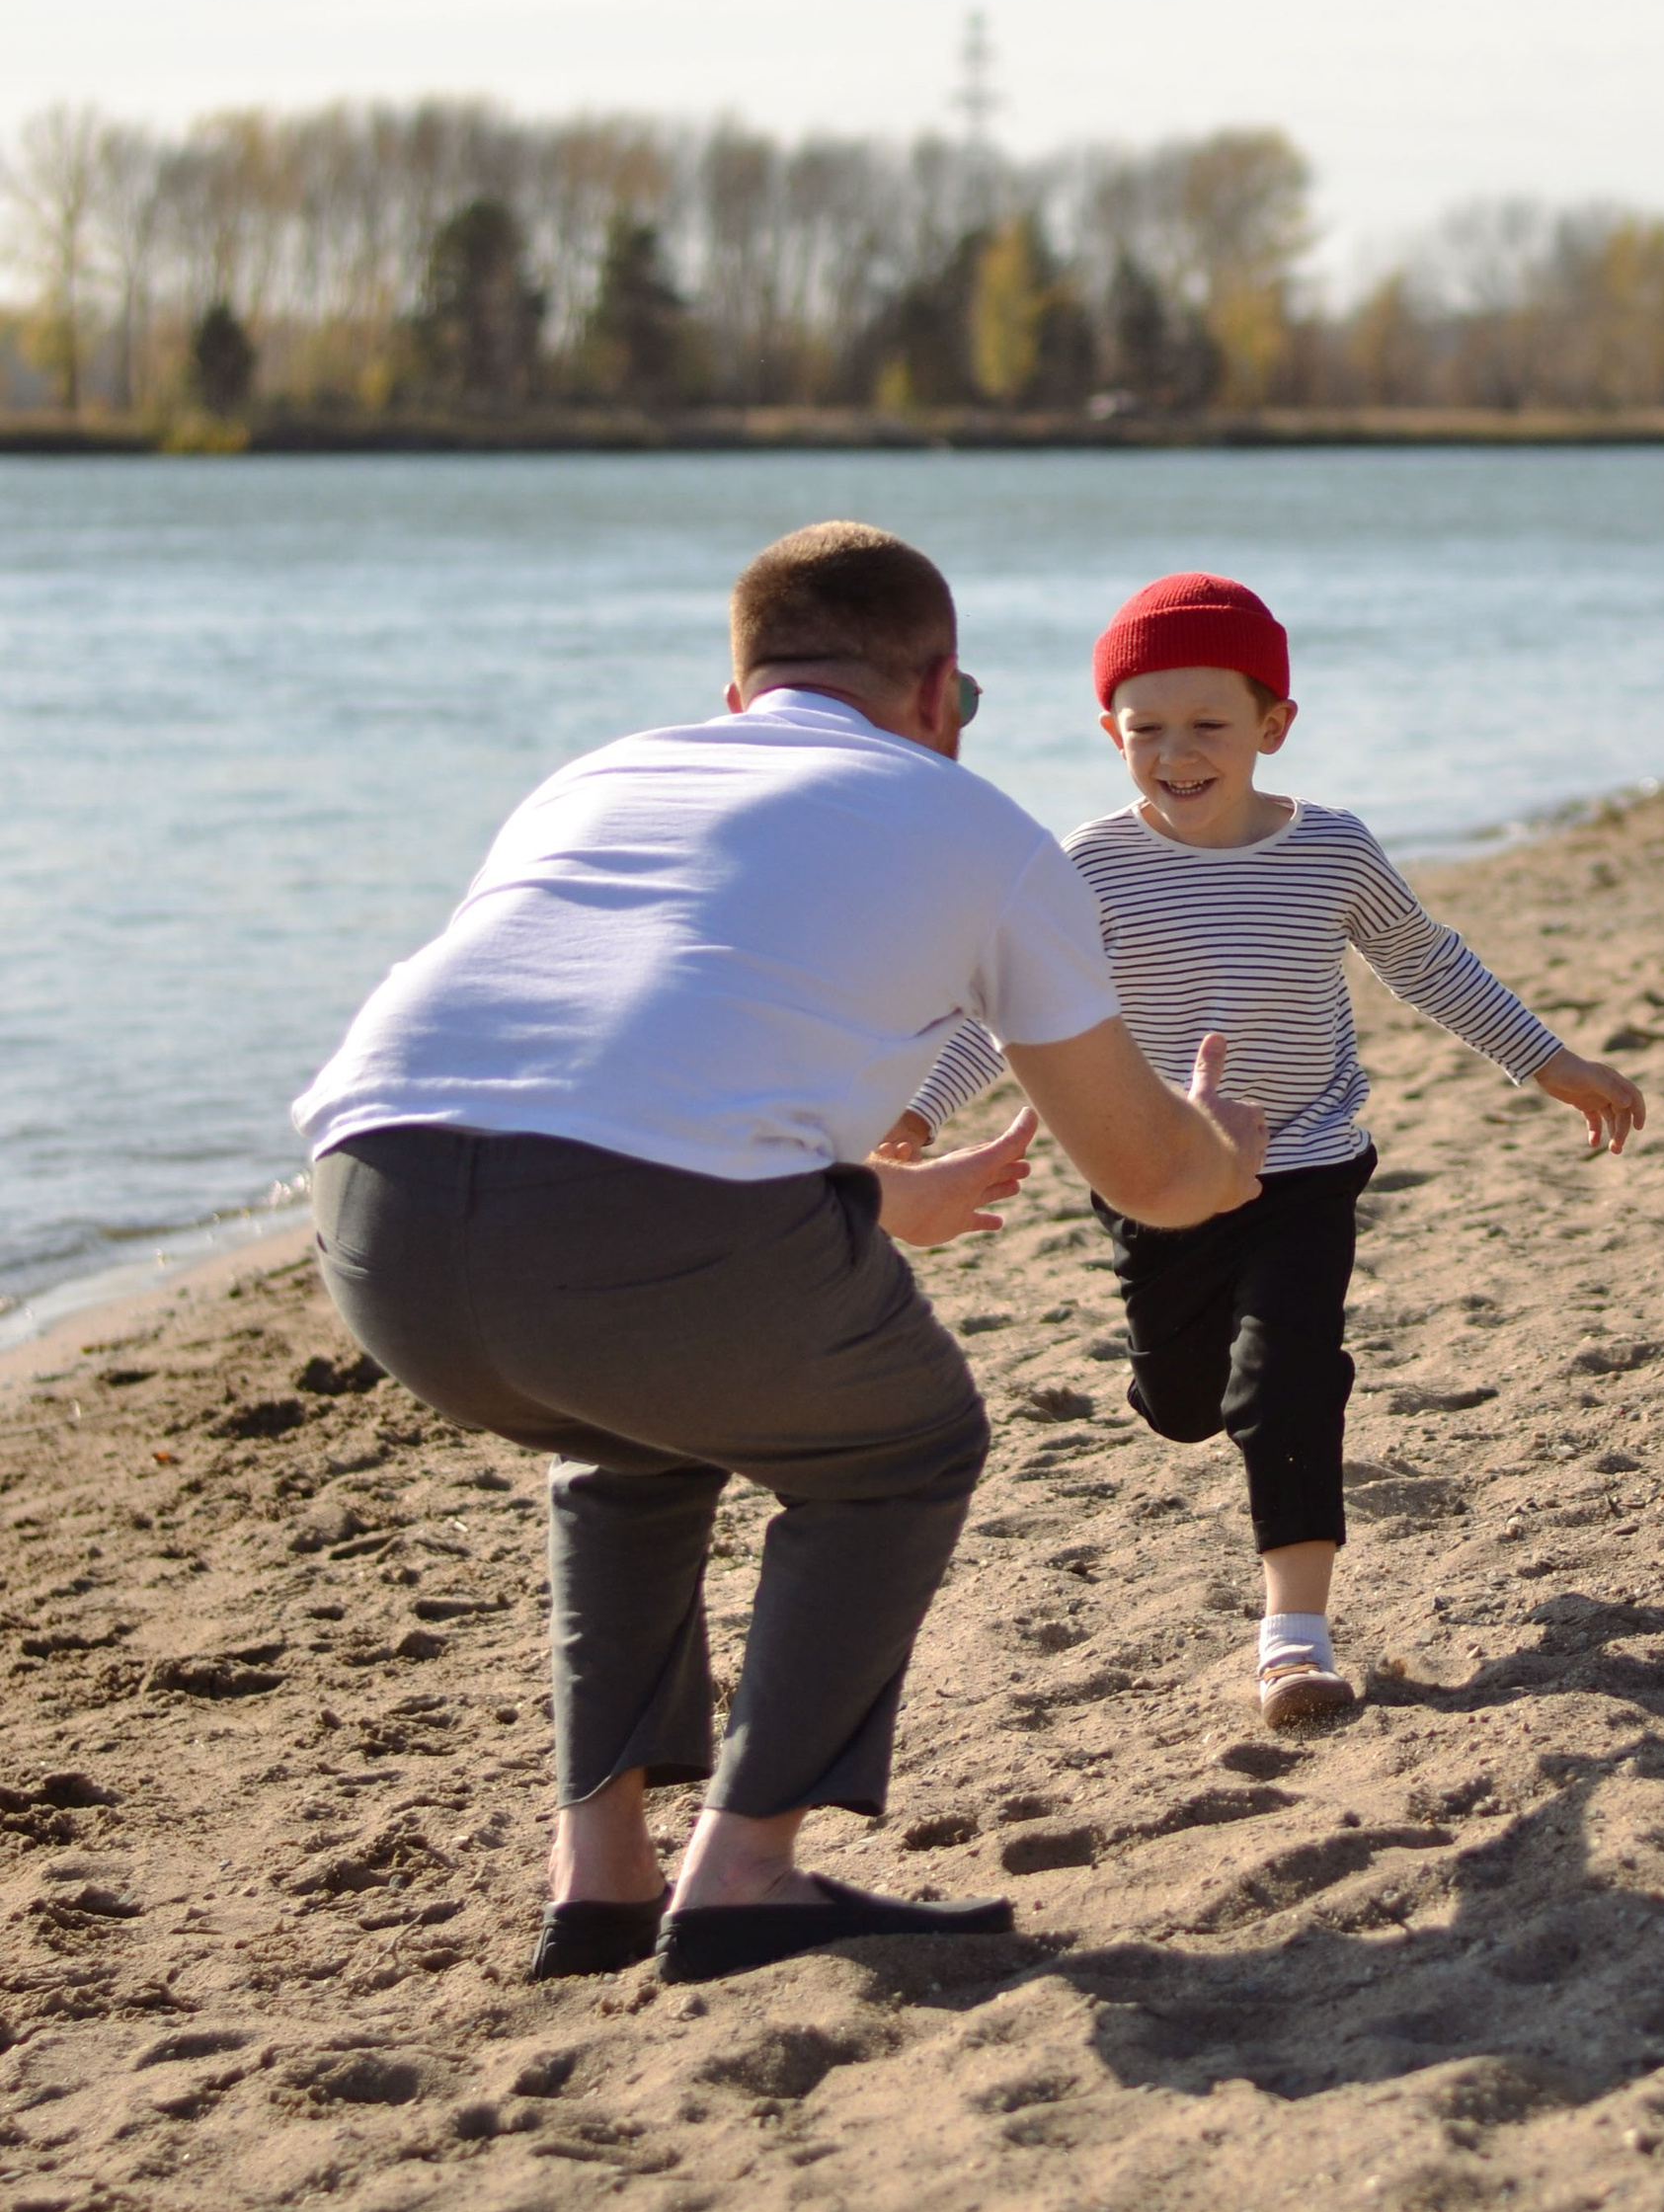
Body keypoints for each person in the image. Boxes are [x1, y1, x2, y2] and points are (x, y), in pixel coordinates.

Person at [291, 522, 1264, 1988]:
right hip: (633, 1229)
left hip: (372, 1222)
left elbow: (605, 1080)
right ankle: (745, 1873)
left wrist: (870, 1206)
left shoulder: (600, 774)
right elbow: (1145, 1176)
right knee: (906, 1443)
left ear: (740, 689)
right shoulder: (979, 831)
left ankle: (600, 1877)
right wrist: (1228, 1154)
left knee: (633, 1433)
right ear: (939, 689)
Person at [886, 571, 1647, 1727]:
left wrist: (1546, 1062)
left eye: (1209, 727)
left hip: (1305, 1168)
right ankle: (1185, 1397)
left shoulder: (1331, 852)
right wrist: (923, 1113)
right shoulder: (1082, 867)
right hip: (1159, 1174)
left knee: (1287, 1376)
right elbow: (1005, 1014)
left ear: (1272, 729)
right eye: (1146, 730)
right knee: (1189, 1402)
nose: (1175, 754)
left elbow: (1427, 964)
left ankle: (1293, 1637)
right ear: (1109, 733)